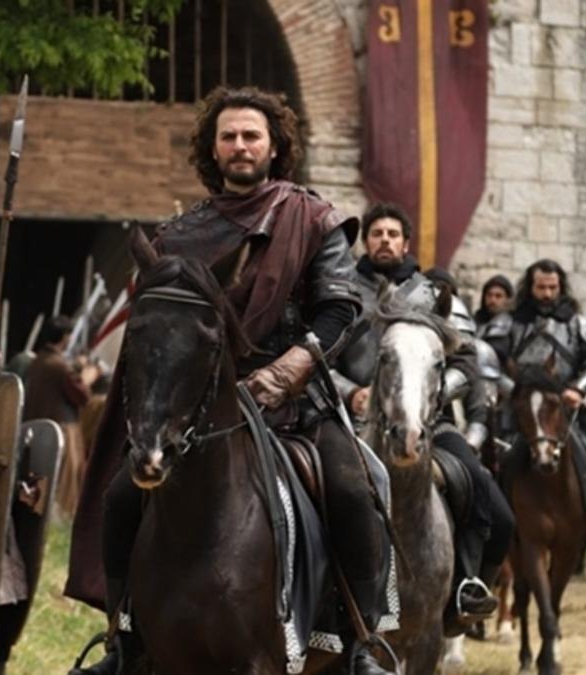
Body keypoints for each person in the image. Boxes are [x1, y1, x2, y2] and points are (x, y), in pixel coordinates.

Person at [71, 86, 396, 674]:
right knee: (121, 495)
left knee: (355, 484)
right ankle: (124, 638)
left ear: (274, 147)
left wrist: (290, 369)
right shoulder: (179, 236)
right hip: (199, 405)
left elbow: (340, 309)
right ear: (213, 148)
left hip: (292, 404)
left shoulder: (311, 219)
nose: (240, 145)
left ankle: (359, 640)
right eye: (229, 136)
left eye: (251, 135)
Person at [331, 207, 514, 622]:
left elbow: (466, 364)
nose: (385, 239)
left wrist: (426, 399)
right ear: (366, 241)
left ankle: (465, 586)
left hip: (430, 422)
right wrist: (351, 392)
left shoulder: (435, 296)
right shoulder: (341, 291)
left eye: (393, 233)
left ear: (406, 243)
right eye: (377, 233)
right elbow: (321, 356)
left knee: (494, 509)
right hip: (348, 420)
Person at [508, 259, 586, 542]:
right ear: (530, 287)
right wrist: (511, 390)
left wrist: (578, 389)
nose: (547, 294)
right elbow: (493, 359)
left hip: (566, 405)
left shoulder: (579, 324)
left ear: (561, 287)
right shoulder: (511, 323)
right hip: (521, 407)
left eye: (552, 287)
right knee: (499, 454)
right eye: (541, 287)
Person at [23, 315, 98, 516]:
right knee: (62, 491)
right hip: (61, 433)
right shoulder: (60, 366)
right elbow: (82, 396)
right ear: (64, 337)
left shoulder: (37, 361)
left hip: (37, 429)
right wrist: (87, 375)